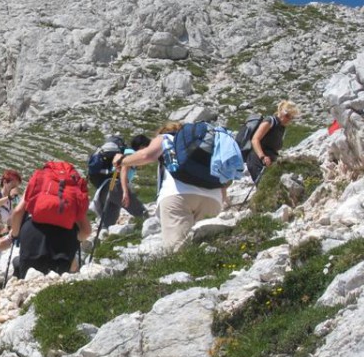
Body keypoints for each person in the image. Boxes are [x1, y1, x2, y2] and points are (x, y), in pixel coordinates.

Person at [117, 122, 225, 251]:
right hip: (213, 197)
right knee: (207, 247)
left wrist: (121, 161)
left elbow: (147, 155)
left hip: (178, 196)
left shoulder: (166, 137)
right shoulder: (202, 142)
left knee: (178, 251)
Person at [8, 165, 92, 279]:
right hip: (65, 238)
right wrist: (76, 239)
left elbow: (18, 211)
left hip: (32, 232)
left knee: (27, 280)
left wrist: (15, 235)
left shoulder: (39, 182)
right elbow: (86, 231)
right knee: (57, 282)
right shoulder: (73, 189)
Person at [94, 134, 151, 229]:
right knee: (140, 212)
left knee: (108, 223)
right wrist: (125, 191)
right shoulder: (131, 154)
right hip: (115, 186)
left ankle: (101, 240)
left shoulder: (127, 153)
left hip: (105, 188)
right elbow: (123, 171)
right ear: (142, 147)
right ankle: (149, 229)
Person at [247, 101, 299, 183]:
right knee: (263, 185)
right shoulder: (270, 121)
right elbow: (255, 139)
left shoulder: (282, 127)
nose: (288, 119)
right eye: (287, 115)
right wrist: (262, 157)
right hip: (258, 159)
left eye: (291, 117)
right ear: (281, 111)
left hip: (270, 159)